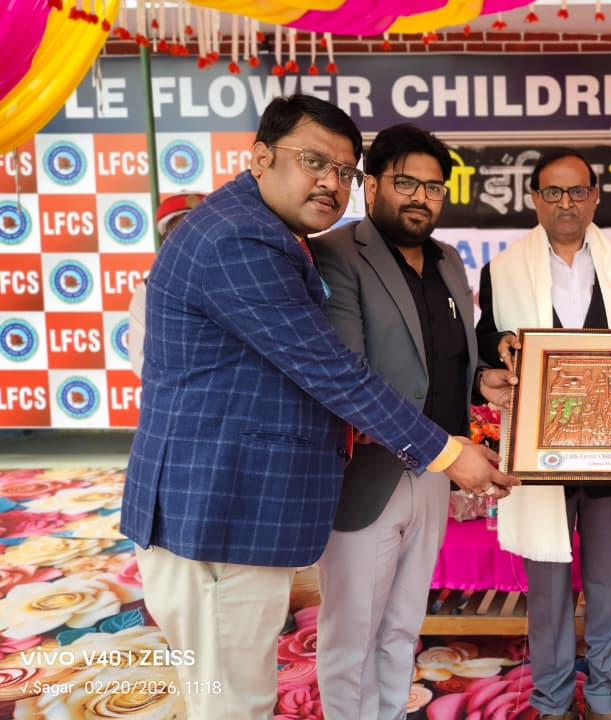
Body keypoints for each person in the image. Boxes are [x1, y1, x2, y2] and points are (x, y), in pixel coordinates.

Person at [123, 96, 515, 720]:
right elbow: (335, 373)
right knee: (236, 702)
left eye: (342, 170)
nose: (331, 183)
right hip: (218, 510)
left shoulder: (273, 234)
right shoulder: (243, 240)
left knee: (245, 691)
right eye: (313, 162)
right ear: (260, 157)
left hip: (240, 509)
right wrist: (447, 452)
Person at [309, 124, 518, 720]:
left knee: (402, 626)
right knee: (353, 633)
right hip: (366, 475)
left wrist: (482, 382)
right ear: (372, 185)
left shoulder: (448, 260)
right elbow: (348, 377)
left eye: (434, 187)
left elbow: (447, 357)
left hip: (433, 473)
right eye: (406, 183)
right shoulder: (336, 254)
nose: (421, 198)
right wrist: (444, 450)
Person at [476, 148, 611, 720]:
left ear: (595, 197)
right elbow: (485, 340)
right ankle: (552, 699)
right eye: (552, 192)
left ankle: (605, 695)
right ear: (534, 199)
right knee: (548, 585)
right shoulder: (502, 269)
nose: (565, 203)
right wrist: (501, 347)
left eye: (577, 191)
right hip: (540, 454)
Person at [127, 192, 206, 377]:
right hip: (178, 391)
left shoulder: (234, 278)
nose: (188, 241)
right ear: (166, 240)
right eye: (179, 233)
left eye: (198, 231)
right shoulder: (148, 290)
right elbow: (140, 360)